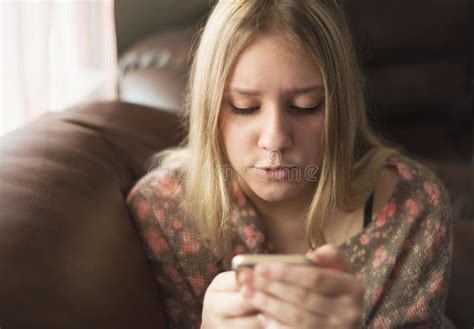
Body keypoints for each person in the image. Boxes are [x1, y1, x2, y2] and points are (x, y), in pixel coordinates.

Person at [126, 0, 453, 328]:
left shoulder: (414, 206)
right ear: (209, 112)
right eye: (244, 107)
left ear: (341, 108)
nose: (275, 139)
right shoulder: (164, 211)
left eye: (305, 106)